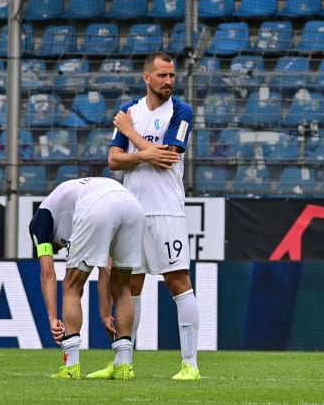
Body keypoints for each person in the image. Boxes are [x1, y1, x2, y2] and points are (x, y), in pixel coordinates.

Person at [98, 51, 201, 382]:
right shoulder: (131, 111)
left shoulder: (180, 111)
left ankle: (190, 365)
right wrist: (142, 150)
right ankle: (122, 363)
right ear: (147, 77)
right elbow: (113, 161)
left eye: (172, 76)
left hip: (166, 209)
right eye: (162, 75)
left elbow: (167, 158)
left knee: (178, 282)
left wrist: (131, 137)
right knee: (129, 286)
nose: (169, 81)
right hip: (133, 211)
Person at [30, 176, 144, 381]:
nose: (59, 250)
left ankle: (72, 366)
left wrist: (52, 318)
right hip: (132, 206)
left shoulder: (40, 222)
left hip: (99, 204)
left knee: (72, 286)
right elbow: (106, 268)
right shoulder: (70, 207)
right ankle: (124, 364)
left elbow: (48, 273)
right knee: (123, 287)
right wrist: (104, 312)